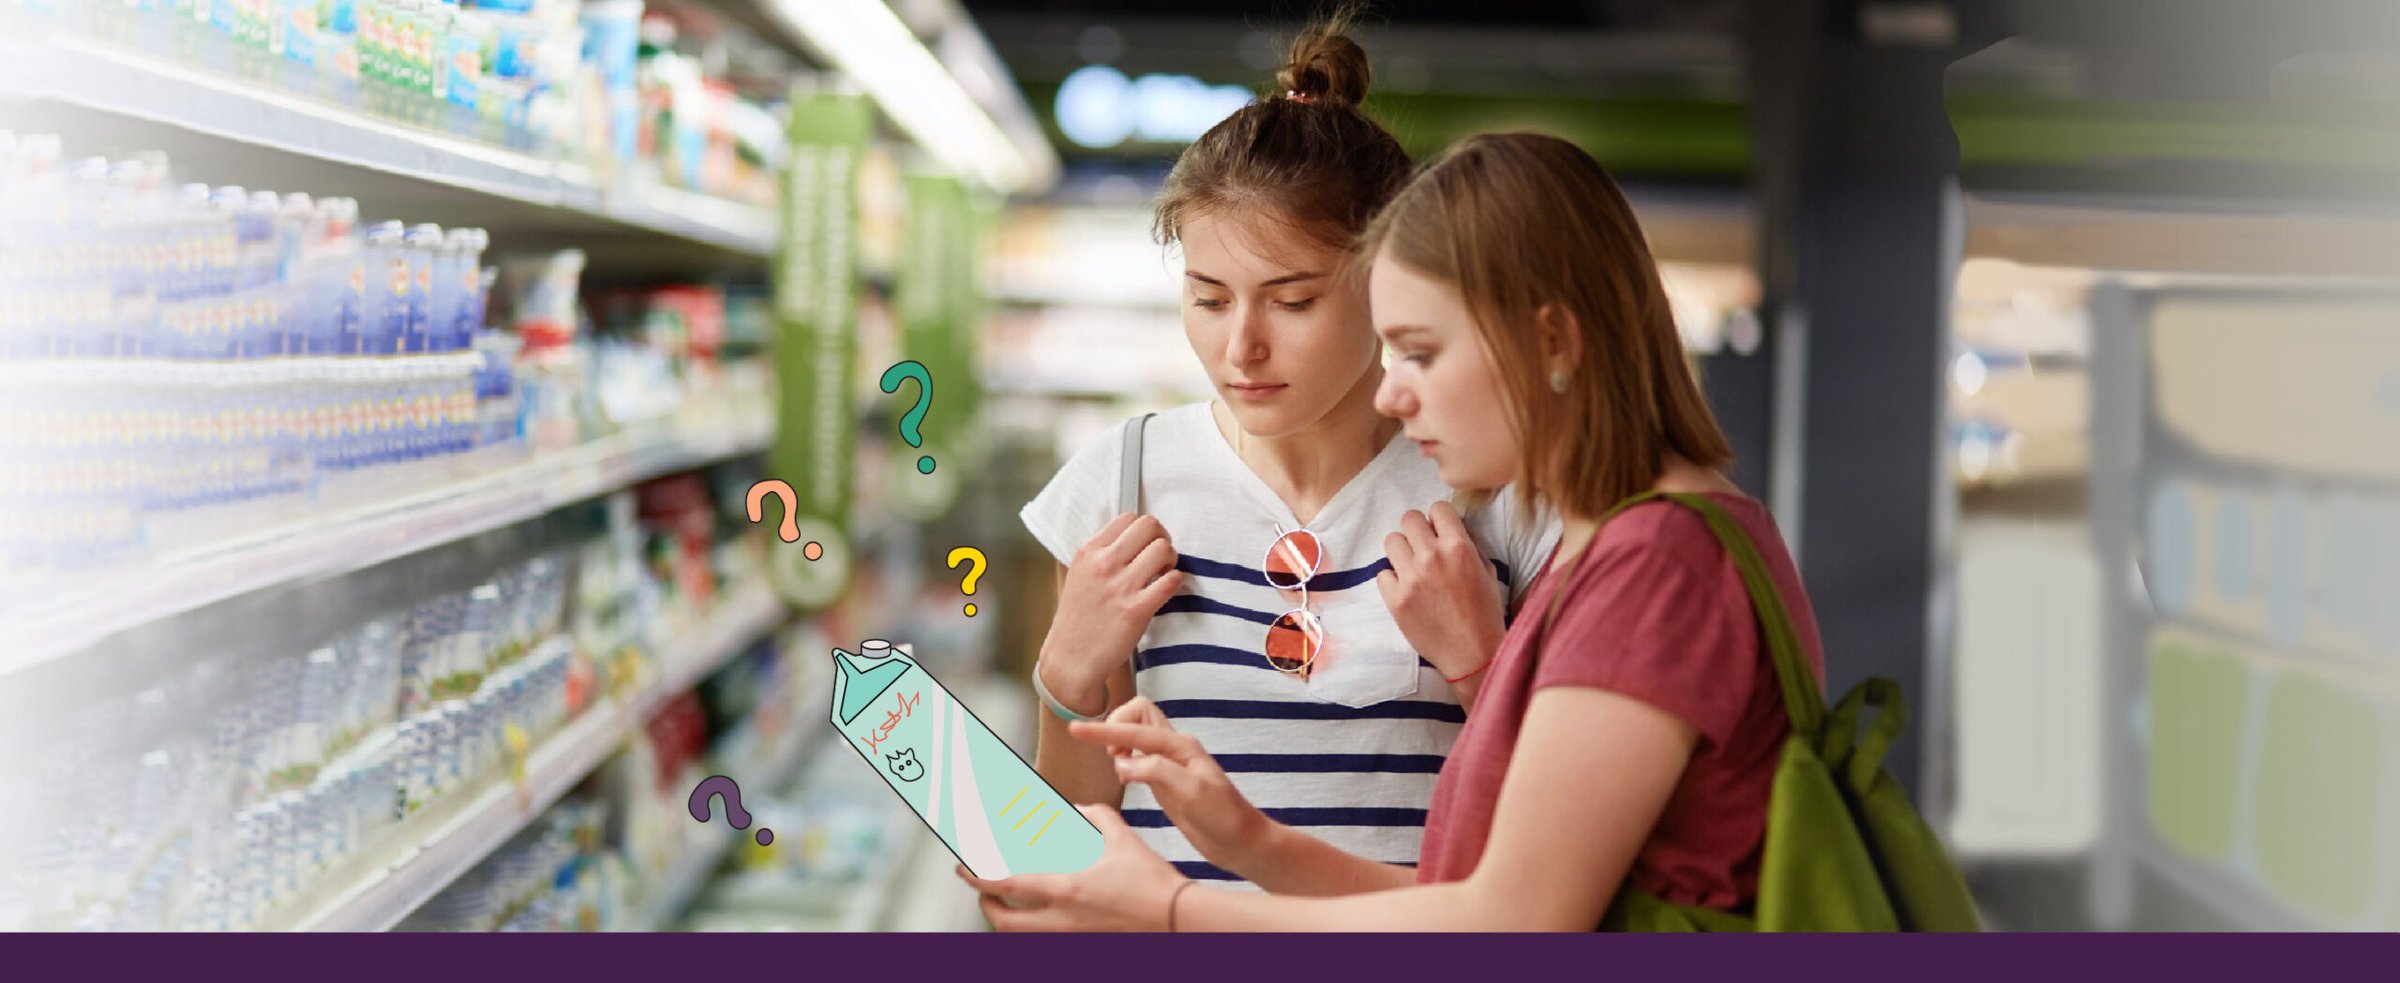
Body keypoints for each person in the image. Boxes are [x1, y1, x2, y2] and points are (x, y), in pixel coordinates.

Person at [970, 131, 1829, 931]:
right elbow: (1470, 893)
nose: (1392, 391)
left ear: (1555, 341)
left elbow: (1509, 922)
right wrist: (1247, 842)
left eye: (1418, 351)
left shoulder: (1654, 563)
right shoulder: (1632, 546)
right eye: (1207, 296)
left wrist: (1173, 906)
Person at [1017, 15, 1559, 891]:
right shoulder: (1118, 483)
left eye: (1293, 301)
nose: (1242, 348)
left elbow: (1560, 832)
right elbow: (1078, 845)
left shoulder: (1497, 490)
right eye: (1209, 298)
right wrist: (1067, 673)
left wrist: (1480, 667)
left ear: (1389, 277)